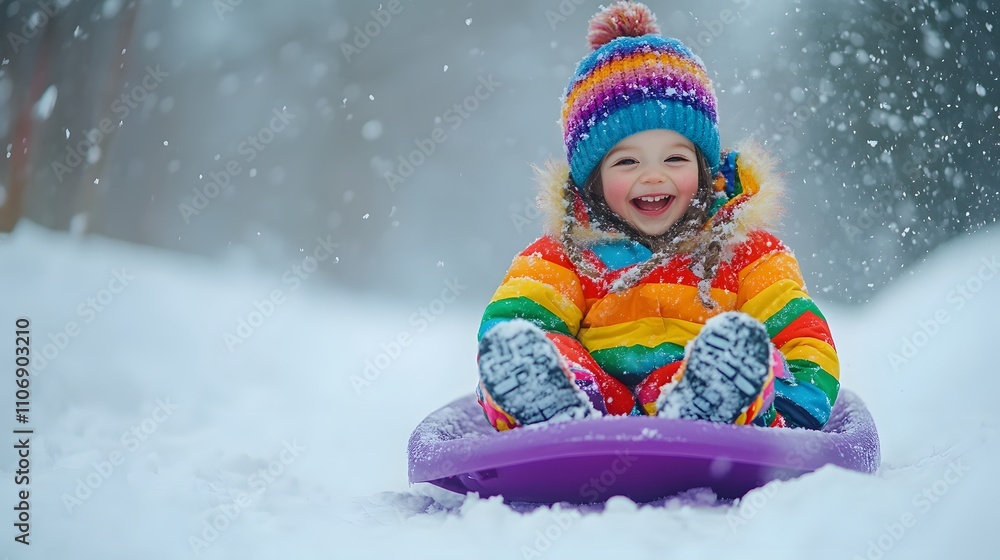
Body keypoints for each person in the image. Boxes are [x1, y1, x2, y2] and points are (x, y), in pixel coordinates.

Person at [476, 1, 839, 432]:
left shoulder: (747, 253)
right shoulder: (567, 255)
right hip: (597, 413)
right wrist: (528, 363)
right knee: (538, 345)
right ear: (592, 179)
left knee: (743, 353)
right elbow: (514, 325)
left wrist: (789, 415)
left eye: (674, 158)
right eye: (627, 162)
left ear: (705, 169)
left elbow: (804, 341)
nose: (653, 176)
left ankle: (717, 400)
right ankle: (552, 409)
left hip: (720, 408)